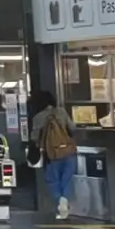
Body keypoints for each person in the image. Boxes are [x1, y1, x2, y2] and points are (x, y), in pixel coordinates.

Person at [29, 88, 79, 220]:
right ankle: (64, 199)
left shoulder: (38, 118)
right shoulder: (61, 112)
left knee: (52, 180)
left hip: (51, 154)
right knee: (67, 179)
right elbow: (73, 128)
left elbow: (34, 137)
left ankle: (59, 202)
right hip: (68, 151)